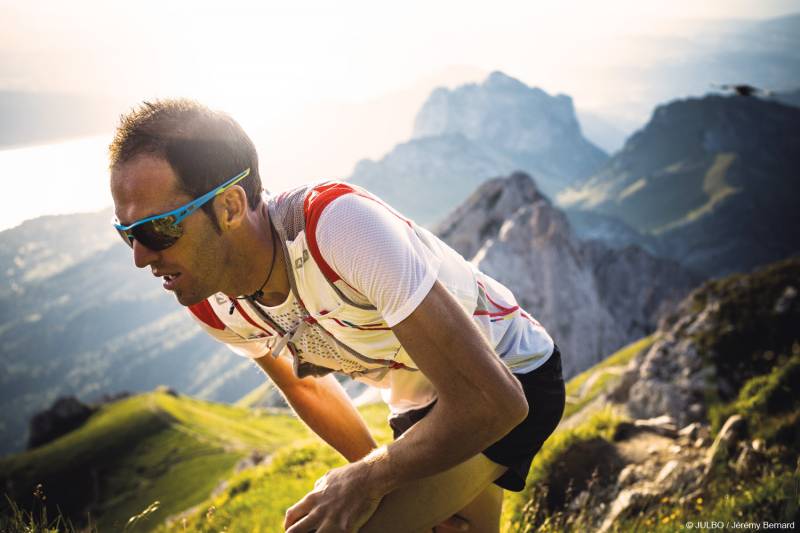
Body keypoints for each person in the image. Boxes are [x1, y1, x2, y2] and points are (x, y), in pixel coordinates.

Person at [109, 99, 565, 533]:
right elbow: (304, 384)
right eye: (127, 234)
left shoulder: (339, 228)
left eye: (157, 229)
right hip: (421, 405)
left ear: (229, 207)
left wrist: (371, 480)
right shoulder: (211, 302)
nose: (141, 257)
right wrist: (378, 479)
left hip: (510, 373)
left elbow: (496, 403)